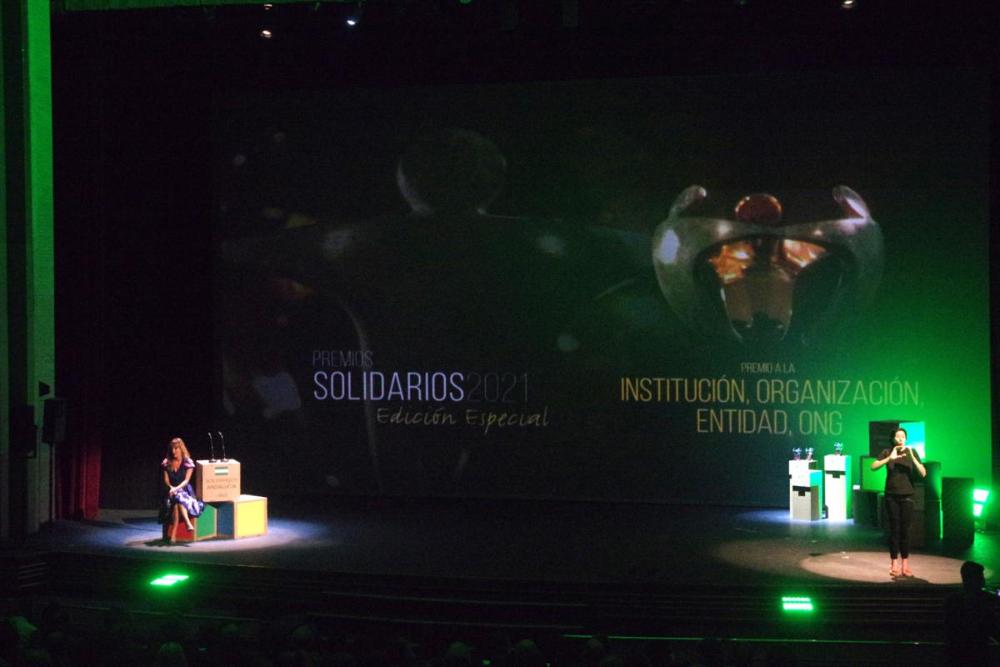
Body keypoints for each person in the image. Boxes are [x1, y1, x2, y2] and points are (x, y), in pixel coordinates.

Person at [869, 427, 926, 577]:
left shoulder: (912, 452)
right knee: (894, 529)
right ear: (893, 438)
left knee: (905, 531)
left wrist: (912, 456)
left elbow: (923, 472)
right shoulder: (887, 451)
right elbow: (873, 466)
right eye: (898, 436)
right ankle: (894, 563)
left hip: (907, 495)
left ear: (906, 439)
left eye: (903, 436)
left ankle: (905, 565)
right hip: (891, 495)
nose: (901, 439)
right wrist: (890, 458)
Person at [944, 560, 1000, 665]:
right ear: (976, 579)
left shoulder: (951, 600)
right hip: (979, 655)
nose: (983, 580)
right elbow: (993, 627)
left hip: (956, 656)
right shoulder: (986, 600)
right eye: (981, 576)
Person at [160, 437, 204, 543]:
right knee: (176, 499)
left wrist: (176, 489)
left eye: (176, 448)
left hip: (185, 491)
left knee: (178, 499)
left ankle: (173, 535)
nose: (173, 451)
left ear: (181, 449)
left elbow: (186, 480)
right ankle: (186, 523)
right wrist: (171, 488)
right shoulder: (167, 463)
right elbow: (166, 480)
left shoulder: (187, 462)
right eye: (172, 449)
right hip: (170, 491)